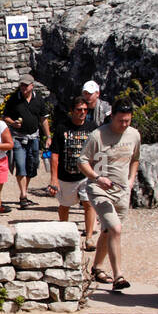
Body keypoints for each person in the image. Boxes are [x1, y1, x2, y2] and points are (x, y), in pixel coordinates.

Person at [79, 102, 141, 291]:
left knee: (108, 231)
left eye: (127, 121)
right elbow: (82, 161)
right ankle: (118, 276)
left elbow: (135, 158)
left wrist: (131, 179)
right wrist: (97, 178)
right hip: (99, 190)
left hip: (122, 191)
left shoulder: (134, 135)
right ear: (112, 116)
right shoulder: (97, 136)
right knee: (115, 228)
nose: (124, 125)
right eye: (121, 120)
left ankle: (97, 267)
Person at [50, 99, 98, 251]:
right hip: (66, 175)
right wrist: (53, 179)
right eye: (79, 109)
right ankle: (65, 235)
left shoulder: (92, 128)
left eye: (85, 109)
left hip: (86, 175)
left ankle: (89, 237)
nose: (82, 112)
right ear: (72, 110)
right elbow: (55, 154)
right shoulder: (61, 128)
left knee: (88, 204)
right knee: (65, 205)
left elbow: (98, 152)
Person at [1, 74, 52, 209]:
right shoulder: (14, 99)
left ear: (32, 86)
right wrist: (13, 123)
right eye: (21, 85)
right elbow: (5, 116)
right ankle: (23, 196)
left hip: (34, 137)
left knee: (32, 164)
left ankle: (24, 191)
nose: (23, 87)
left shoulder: (39, 100)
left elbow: (43, 119)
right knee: (21, 164)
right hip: (17, 137)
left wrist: (48, 136)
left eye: (26, 85)